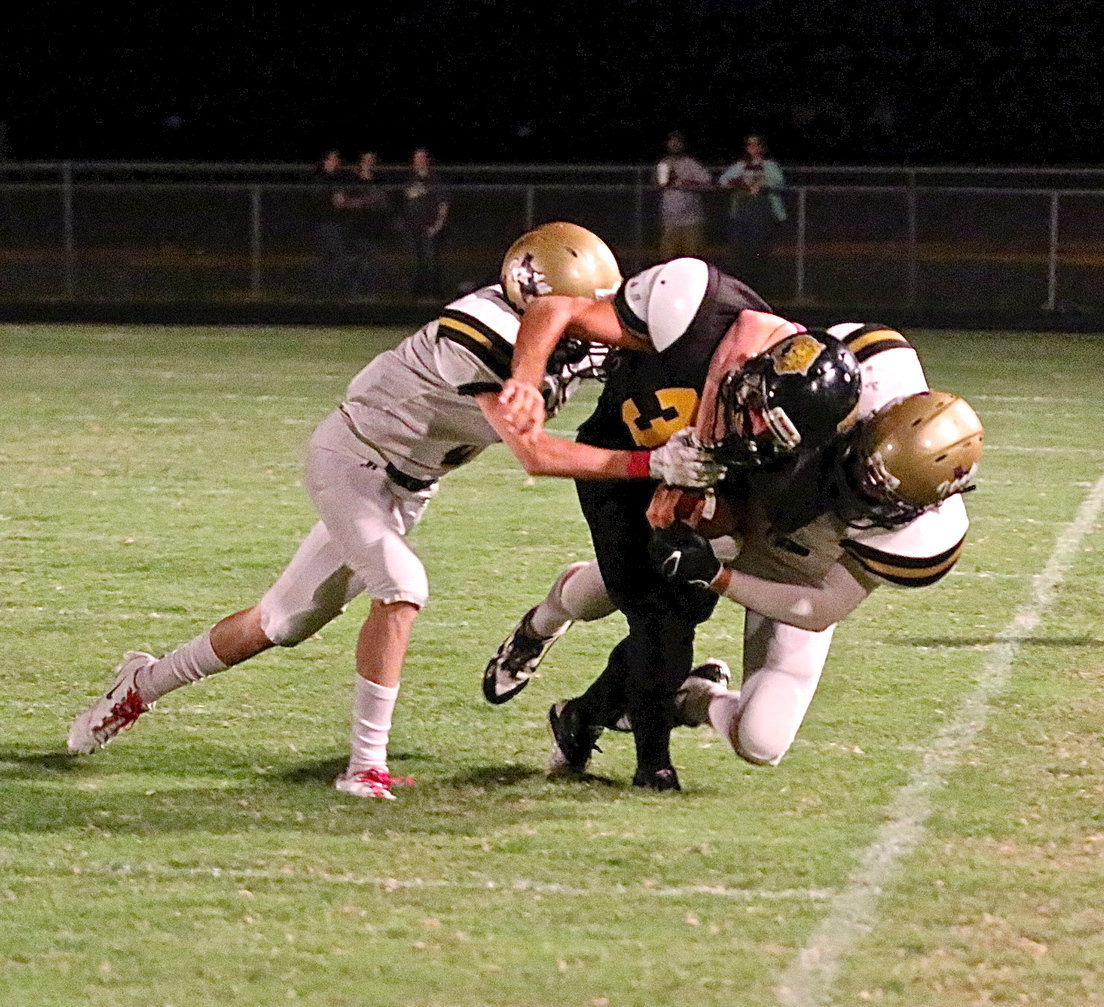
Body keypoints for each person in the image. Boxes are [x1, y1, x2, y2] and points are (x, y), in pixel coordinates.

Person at [66, 223, 723, 800]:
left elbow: (638, 350)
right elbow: (536, 454)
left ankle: (141, 684)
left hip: (408, 488)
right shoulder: (477, 331)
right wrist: (652, 465)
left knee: (281, 621)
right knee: (402, 587)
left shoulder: (583, 328)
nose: (588, 323)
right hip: (352, 459)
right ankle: (365, 766)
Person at [485, 325, 982, 783]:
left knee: (761, 742)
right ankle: (544, 621)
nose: (859, 490)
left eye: (880, 495)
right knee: (629, 580)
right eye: (864, 469)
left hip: (802, 571)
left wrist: (718, 577)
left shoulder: (927, 538)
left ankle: (689, 697)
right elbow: (756, 349)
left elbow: (822, 608)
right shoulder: (862, 373)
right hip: (749, 501)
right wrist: (702, 464)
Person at [496, 259, 862, 790]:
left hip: (680, 481)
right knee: (659, 621)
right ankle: (652, 764)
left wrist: (695, 506)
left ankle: (581, 717)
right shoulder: (696, 312)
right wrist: (527, 382)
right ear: (759, 370)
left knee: (682, 606)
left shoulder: (782, 439)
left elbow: (733, 510)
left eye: (773, 432)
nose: (755, 429)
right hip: (616, 467)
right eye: (760, 411)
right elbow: (555, 308)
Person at [717, 134, 786, 296]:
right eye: (750, 145)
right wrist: (739, 182)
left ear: (762, 148)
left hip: (763, 215)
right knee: (741, 252)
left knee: (761, 251)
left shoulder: (769, 165)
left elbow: (779, 182)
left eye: (756, 145)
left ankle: (762, 287)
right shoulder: (740, 166)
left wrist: (760, 184)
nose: (753, 148)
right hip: (743, 215)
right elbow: (723, 180)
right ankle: (743, 286)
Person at [397, 147, 450, 299]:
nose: (419, 161)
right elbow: (401, 203)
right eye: (416, 158)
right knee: (414, 261)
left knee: (431, 261)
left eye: (422, 158)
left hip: (429, 228)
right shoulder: (408, 180)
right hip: (411, 229)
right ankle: (416, 294)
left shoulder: (435, 180)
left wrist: (437, 226)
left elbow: (443, 205)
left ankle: (434, 294)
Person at [341, 151, 393, 299]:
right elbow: (345, 202)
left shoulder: (379, 180)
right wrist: (366, 201)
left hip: (375, 228)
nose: (369, 163)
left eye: (372, 160)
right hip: (356, 227)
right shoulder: (353, 180)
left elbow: (385, 201)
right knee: (358, 261)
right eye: (366, 160)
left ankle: (368, 294)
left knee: (372, 261)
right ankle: (353, 293)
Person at [655, 131, 711, 260]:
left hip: (691, 221)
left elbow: (707, 182)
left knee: (692, 261)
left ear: (683, 145)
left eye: (677, 142)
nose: (674, 145)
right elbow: (658, 184)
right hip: (669, 221)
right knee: (668, 261)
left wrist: (686, 183)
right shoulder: (663, 164)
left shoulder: (691, 164)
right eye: (672, 142)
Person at [312, 149, 354, 300]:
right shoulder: (321, 179)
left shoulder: (339, 178)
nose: (334, 163)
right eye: (331, 160)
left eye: (336, 160)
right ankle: (330, 292)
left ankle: (327, 293)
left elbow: (343, 200)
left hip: (337, 223)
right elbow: (329, 201)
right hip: (325, 223)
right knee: (335, 256)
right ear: (325, 162)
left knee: (331, 257)